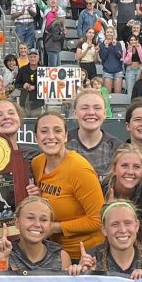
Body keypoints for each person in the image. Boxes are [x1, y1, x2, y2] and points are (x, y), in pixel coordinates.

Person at [30, 112, 106, 262]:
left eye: (57, 131)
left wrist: (55, 227)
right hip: (54, 252)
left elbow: (98, 219)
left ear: (65, 136)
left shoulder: (79, 169)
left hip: (86, 255)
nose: (50, 136)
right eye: (44, 131)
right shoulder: (37, 163)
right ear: (36, 137)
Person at [0, 196, 72, 272]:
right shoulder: (5, 253)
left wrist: (78, 274)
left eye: (43, 220)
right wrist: (0, 260)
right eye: (30, 218)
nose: (37, 224)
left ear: (50, 225)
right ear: (17, 222)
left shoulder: (61, 257)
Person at [67, 88, 123, 182]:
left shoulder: (116, 147)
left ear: (104, 113)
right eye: (84, 108)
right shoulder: (63, 143)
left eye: (97, 108)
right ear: (75, 113)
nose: (91, 113)